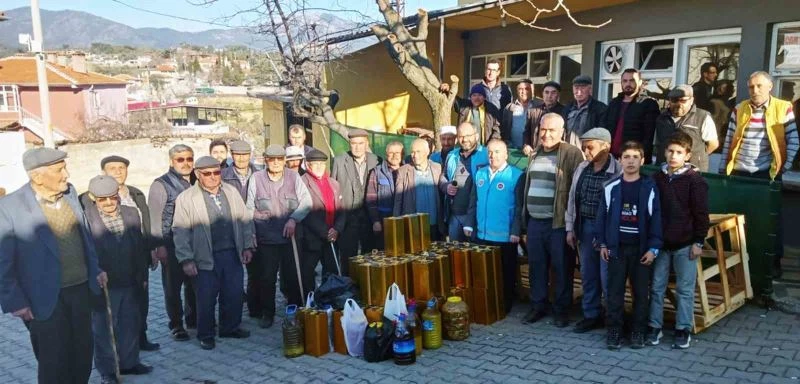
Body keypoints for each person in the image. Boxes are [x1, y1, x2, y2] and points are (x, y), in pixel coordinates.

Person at [0, 148, 107, 384]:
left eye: (64, 168)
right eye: (59, 170)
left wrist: (95, 269)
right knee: (54, 363)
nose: (66, 174)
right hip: (43, 299)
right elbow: (3, 260)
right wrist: (15, 301)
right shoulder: (8, 207)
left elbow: (84, 236)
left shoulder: (70, 193)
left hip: (81, 291)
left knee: (82, 356)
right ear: (37, 176)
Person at [720, 71, 798, 277]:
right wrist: (723, 169)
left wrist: (783, 167)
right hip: (739, 173)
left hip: (767, 174)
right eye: (751, 87)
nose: (754, 90)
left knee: (770, 221)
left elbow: (793, 141)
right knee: (735, 221)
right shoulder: (739, 109)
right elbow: (729, 140)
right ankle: (737, 266)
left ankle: (772, 264)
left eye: (759, 86)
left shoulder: (783, 108)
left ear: (770, 87)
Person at [173, 156, 255, 350]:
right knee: (206, 298)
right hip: (204, 256)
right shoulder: (186, 198)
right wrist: (186, 259)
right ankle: (206, 334)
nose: (212, 177)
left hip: (232, 253)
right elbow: (180, 231)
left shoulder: (231, 191)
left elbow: (244, 220)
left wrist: (247, 246)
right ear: (197, 174)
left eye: (216, 172)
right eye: (207, 173)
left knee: (233, 294)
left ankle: (230, 327)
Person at [84, 175, 152, 383]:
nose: (108, 203)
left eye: (112, 197)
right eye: (102, 199)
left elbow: (139, 246)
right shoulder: (85, 218)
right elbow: (85, 252)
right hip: (104, 282)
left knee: (130, 322)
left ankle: (129, 363)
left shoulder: (131, 213)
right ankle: (108, 370)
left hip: (130, 278)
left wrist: (142, 275)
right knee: (105, 328)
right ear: (93, 198)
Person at [521, 113, 584, 327]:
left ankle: (561, 310)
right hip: (535, 221)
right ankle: (538, 306)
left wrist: (572, 225)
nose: (546, 134)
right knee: (536, 267)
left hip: (558, 223)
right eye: (543, 129)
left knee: (562, 268)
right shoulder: (535, 153)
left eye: (552, 130)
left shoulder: (572, 153)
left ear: (562, 132)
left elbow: (577, 190)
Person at [597, 141, 662, 350]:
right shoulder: (611, 187)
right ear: (620, 160)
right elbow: (602, 218)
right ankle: (614, 331)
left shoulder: (649, 187)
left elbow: (656, 219)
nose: (631, 161)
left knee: (641, 293)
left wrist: (653, 249)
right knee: (614, 292)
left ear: (642, 161)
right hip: (617, 249)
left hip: (641, 251)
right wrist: (603, 244)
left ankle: (638, 331)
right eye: (626, 157)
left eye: (635, 157)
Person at [648, 131, 709, 350]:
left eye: (679, 152)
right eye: (670, 151)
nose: (674, 156)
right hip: (661, 244)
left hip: (686, 244)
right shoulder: (657, 178)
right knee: (657, 287)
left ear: (687, 155)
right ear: (665, 152)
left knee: (685, 289)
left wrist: (698, 241)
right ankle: (654, 326)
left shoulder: (695, 181)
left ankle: (683, 329)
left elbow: (701, 213)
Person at [93, 155, 160, 351]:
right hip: (111, 263)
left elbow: (145, 221)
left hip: (138, 254)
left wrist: (151, 248)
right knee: (116, 309)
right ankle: (119, 349)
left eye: (121, 168)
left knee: (140, 301)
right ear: (104, 172)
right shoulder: (94, 197)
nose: (118, 172)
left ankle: (140, 338)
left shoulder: (136, 193)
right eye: (112, 168)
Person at [246, 145, 312, 328]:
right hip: (266, 238)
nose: (275, 162)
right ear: (265, 160)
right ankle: (268, 313)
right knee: (267, 278)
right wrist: (252, 231)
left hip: (290, 238)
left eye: (279, 159)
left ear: (284, 161)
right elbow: (249, 208)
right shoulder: (256, 178)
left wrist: (293, 219)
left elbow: (307, 202)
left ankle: (294, 310)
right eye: (271, 159)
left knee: (292, 276)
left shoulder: (294, 177)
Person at [565, 128, 621, 333]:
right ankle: (591, 315)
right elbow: (572, 198)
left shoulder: (618, 170)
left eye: (590, 147)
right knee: (588, 274)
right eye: (584, 147)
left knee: (608, 277)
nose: (586, 152)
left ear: (606, 146)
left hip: (608, 231)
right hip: (584, 226)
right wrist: (570, 228)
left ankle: (613, 319)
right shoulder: (582, 167)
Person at [464, 139, 524, 313]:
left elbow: (519, 206)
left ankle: (505, 305)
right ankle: (488, 304)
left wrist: (515, 231)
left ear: (506, 154)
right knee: (485, 272)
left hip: (505, 236)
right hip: (482, 234)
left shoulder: (516, 175)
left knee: (505, 273)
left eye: (497, 152)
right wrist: (469, 224)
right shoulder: (480, 173)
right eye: (490, 152)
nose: (493, 155)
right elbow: (473, 201)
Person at [148, 144, 197, 342]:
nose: (186, 163)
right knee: (172, 287)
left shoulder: (196, 180)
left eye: (189, 158)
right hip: (170, 243)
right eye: (180, 159)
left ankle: (193, 319)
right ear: (171, 161)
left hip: (194, 241)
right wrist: (158, 245)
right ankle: (176, 324)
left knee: (194, 284)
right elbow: (154, 217)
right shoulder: (161, 184)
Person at [331, 129, 381, 273]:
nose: (357, 147)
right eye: (354, 143)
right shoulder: (339, 161)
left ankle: (368, 284)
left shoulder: (376, 160)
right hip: (347, 217)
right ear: (349, 144)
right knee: (347, 258)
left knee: (370, 257)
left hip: (369, 218)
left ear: (367, 144)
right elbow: (334, 189)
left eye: (361, 143)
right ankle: (348, 284)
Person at [300, 149, 347, 292]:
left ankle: (328, 297)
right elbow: (306, 211)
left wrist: (337, 229)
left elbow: (342, 209)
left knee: (331, 272)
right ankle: (309, 300)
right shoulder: (302, 183)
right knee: (307, 273)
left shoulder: (334, 183)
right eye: (316, 164)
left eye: (322, 163)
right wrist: (325, 231)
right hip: (311, 237)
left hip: (332, 237)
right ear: (308, 165)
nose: (320, 166)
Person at [441, 122, 489, 242]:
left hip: (477, 216)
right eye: (461, 136)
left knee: (476, 251)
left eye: (468, 135)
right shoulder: (452, 155)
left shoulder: (486, 154)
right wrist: (446, 186)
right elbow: (443, 176)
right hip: (455, 215)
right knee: (455, 251)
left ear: (476, 136)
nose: (465, 139)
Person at [654, 85, 719, 172]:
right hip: (666, 170)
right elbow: (658, 144)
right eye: (674, 100)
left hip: (694, 171)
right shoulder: (661, 118)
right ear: (669, 100)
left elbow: (713, 144)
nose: (679, 104)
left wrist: (697, 156)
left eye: (683, 101)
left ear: (691, 100)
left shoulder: (702, 117)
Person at [605, 68, 660, 162]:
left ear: (640, 82)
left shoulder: (648, 104)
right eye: (625, 81)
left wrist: (641, 156)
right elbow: (606, 128)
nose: (628, 84)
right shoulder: (614, 103)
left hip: (633, 158)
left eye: (632, 80)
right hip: (611, 157)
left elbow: (649, 136)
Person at [394, 138, 443, 240]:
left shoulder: (438, 168)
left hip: (434, 224)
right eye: (412, 152)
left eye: (418, 151)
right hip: (413, 226)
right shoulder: (403, 171)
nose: (415, 155)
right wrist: (397, 223)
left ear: (427, 152)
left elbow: (443, 187)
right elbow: (398, 200)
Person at [367, 141, 404, 249]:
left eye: (397, 152)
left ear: (402, 154)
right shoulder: (376, 172)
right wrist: (376, 221)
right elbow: (370, 199)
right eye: (391, 153)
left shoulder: (408, 170)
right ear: (386, 154)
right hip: (384, 223)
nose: (394, 155)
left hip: (404, 221)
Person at [440, 58, 512, 112]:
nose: (490, 73)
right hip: (480, 126)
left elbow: (508, 112)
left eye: (493, 70)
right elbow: (466, 106)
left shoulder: (505, 89)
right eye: (489, 69)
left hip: (498, 127)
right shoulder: (477, 88)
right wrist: (448, 92)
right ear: (485, 71)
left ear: (498, 72)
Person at [562, 75, 608, 148]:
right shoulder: (567, 108)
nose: (579, 92)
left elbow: (601, 135)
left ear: (590, 90)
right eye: (576, 88)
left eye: (583, 88)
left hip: (587, 151)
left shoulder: (600, 109)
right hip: (567, 150)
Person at [523, 81, 566, 155]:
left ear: (558, 95)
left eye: (553, 93)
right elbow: (527, 131)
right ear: (542, 94)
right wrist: (526, 144)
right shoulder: (533, 111)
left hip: (556, 153)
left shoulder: (565, 112)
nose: (549, 96)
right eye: (546, 92)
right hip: (535, 152)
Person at [502, 79, 544, 149]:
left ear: (532, 90)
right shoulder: (509, 107)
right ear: (517, 90)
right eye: (520, 89)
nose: (523, 92)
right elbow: (505, 128)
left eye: (527, 89)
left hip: (532, 149)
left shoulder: (540, 106)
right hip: (513, 148)